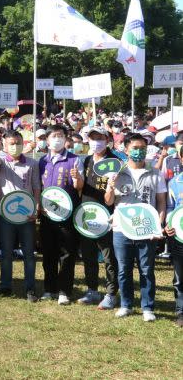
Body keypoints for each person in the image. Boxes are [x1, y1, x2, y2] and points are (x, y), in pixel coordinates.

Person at [105, 133, 166, 322]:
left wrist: (159, 226)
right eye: (135, 148)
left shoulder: (155, 173)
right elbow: (109, 202)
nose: (139, 151)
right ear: (126, 149)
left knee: (146, 269)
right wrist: (109, 186)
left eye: (142, 148)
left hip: (147, 229)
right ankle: (126, 305)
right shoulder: (118, 173)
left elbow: (161, 203)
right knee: (123, 269)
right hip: (121, 229)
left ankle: (147, 307)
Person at [0, 131, 41, 302]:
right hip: (5, 214)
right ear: (5, 144)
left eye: (18, 142)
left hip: (27, 215)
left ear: (22, 143)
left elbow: (36, 188)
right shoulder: (2, 161)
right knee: (6, 253)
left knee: (29, 253)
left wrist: (36, 207)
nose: (15, 146)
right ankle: (5, 286)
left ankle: (30, 288)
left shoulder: (32, 163)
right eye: (11, 143)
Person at [38, 124, 83, 305]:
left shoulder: (74, 160)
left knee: (67, 253)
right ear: (47, 140)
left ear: (66, 139)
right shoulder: (42, 161)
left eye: (61, 135)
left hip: (66, 214)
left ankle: (64, 290)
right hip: (47, 214)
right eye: (54, 136)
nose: (57, 139)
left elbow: (79, 187)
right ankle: (50, 288)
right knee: (48, 252)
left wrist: (77, 178)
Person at [78, 126, 120, 309]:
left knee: (109, 257)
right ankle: (92, 290)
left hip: (107, 216)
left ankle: (111, 293)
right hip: (87, 214)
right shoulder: (86, 160)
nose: (96, 141)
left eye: (99, 138)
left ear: (107, 139)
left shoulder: (115, 162)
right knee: (88, 255)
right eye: (92, 138)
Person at [165, 145, 183, 328]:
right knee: (179, 277)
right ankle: (181, 311)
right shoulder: (175, 182)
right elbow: (170, 208)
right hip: (179, 237)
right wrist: (169, 224)